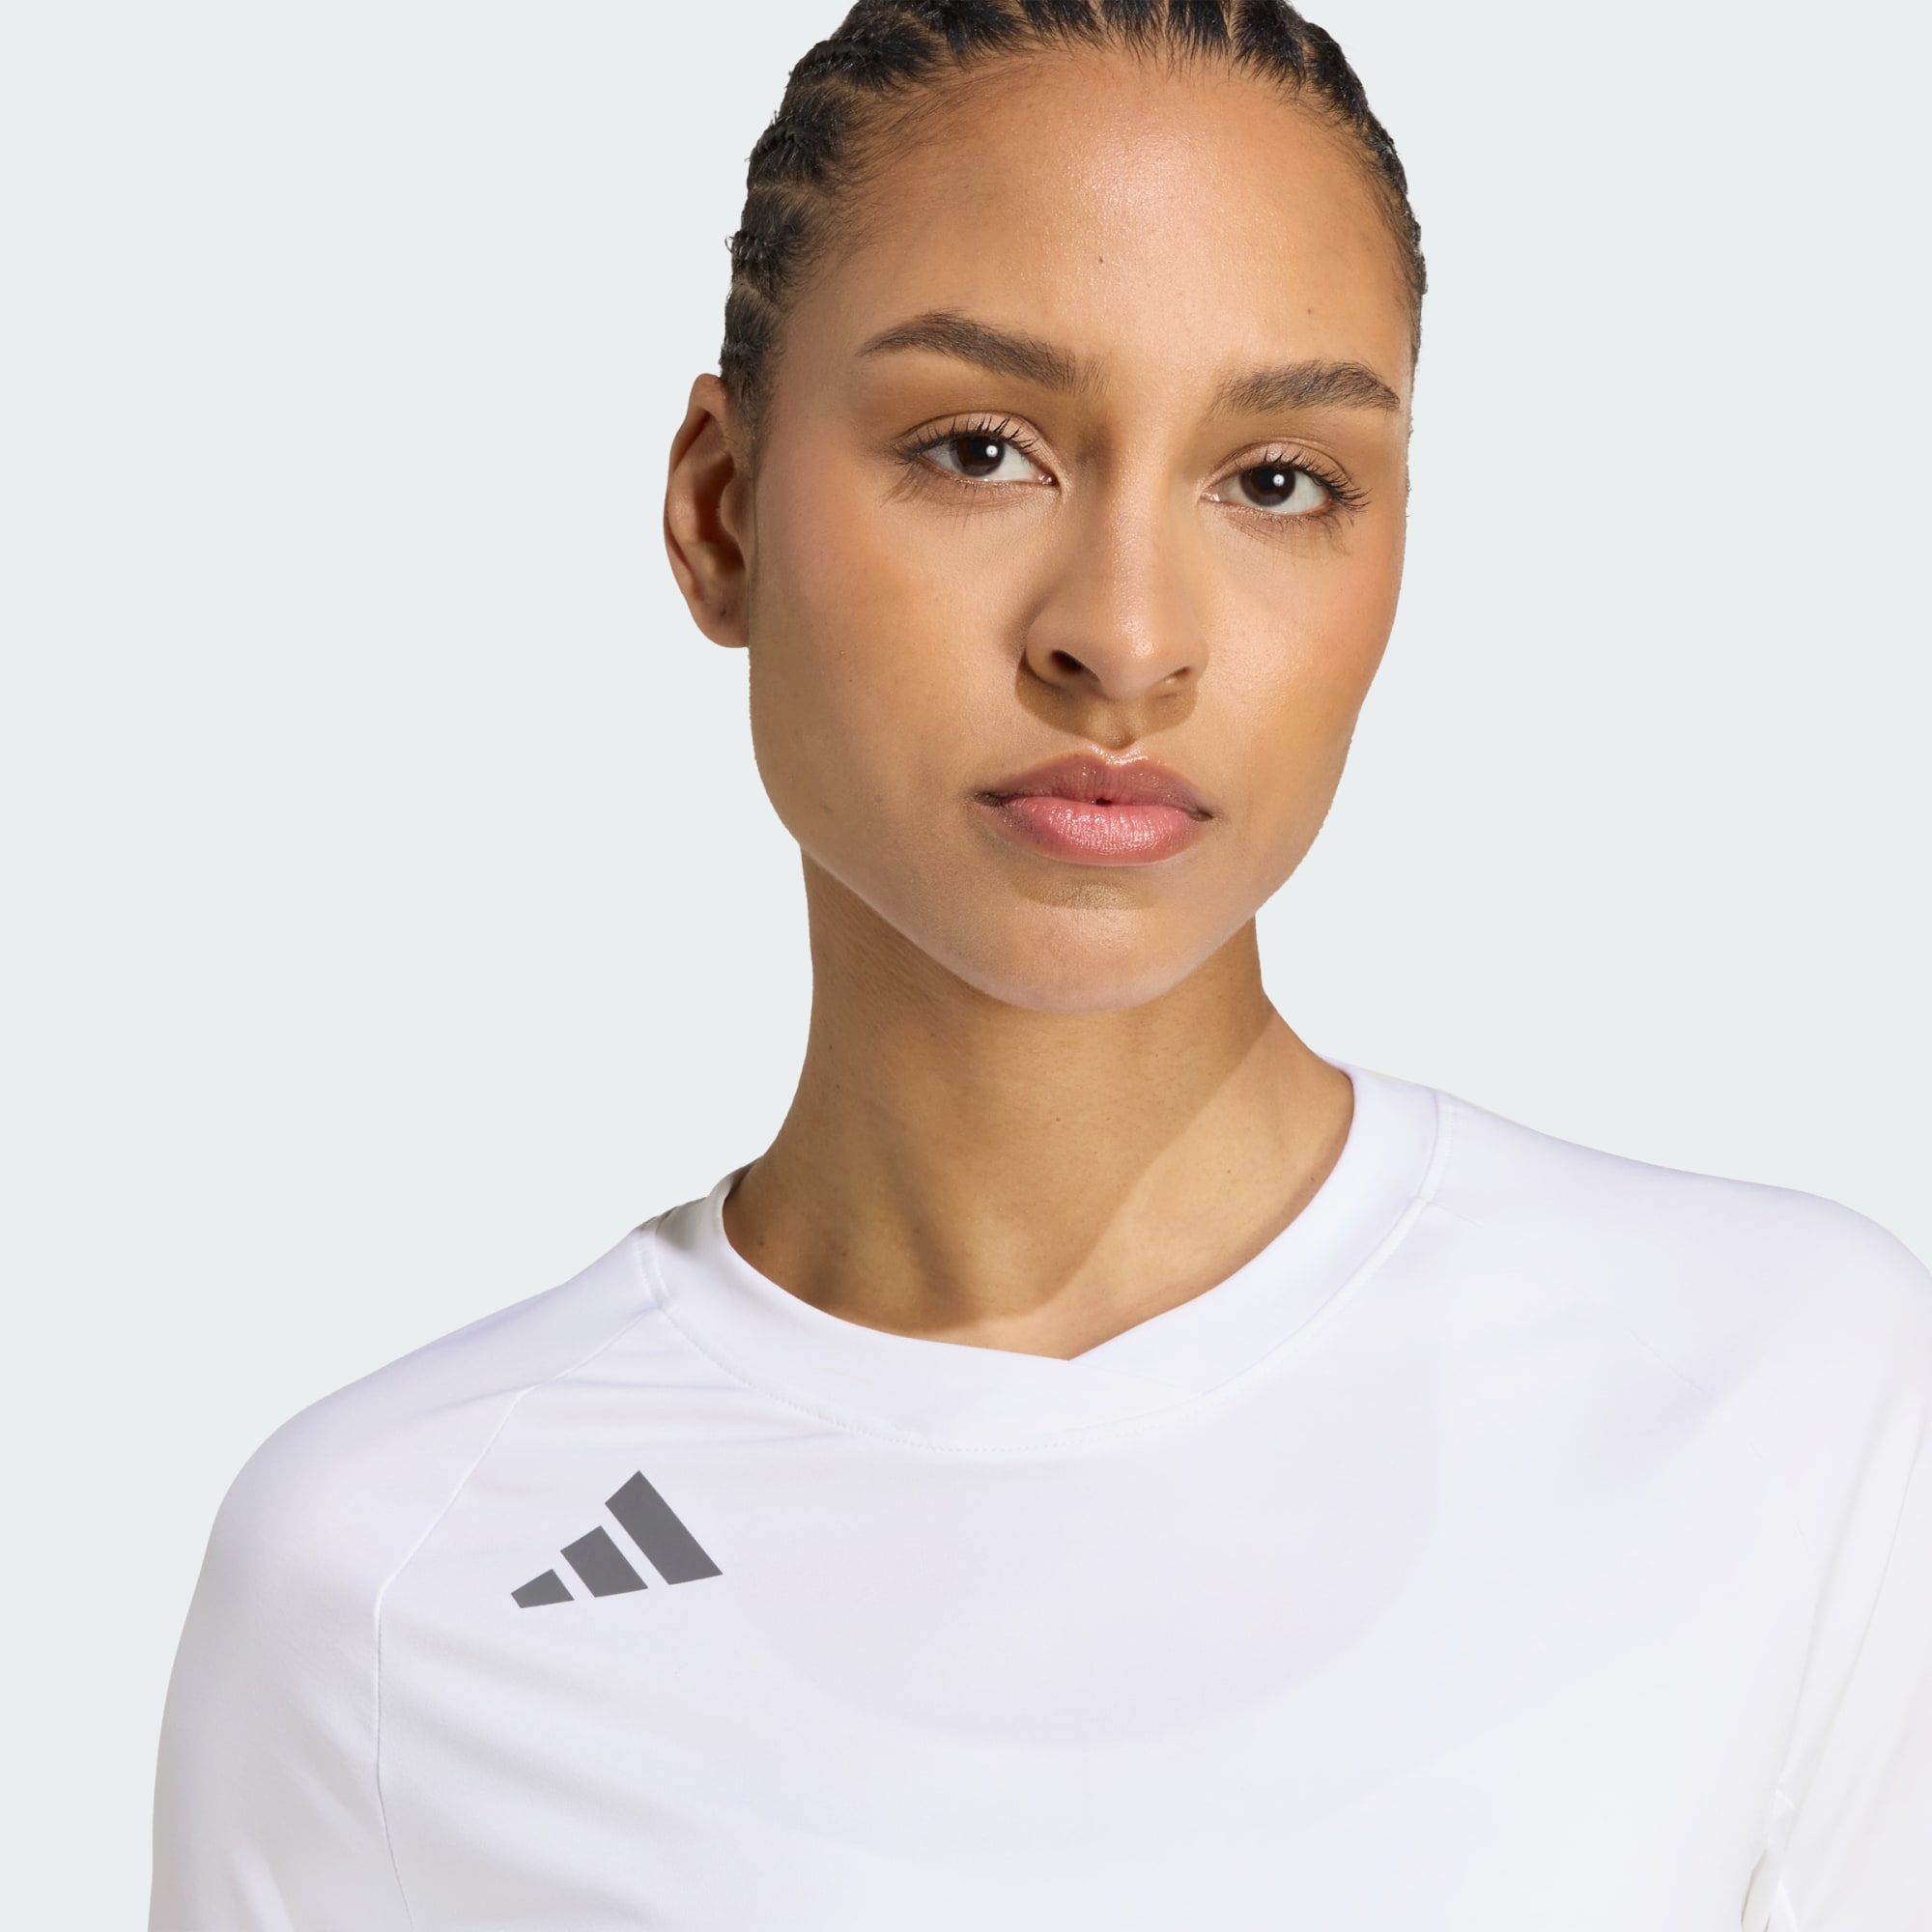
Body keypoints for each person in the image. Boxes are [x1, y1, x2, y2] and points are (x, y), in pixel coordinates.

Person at [148, 3, 1932, 1927]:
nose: (1127, 638)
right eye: (980, 449)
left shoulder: (1778, 1393)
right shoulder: (390, 1576)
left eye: (1277, 479)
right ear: (720, 511)